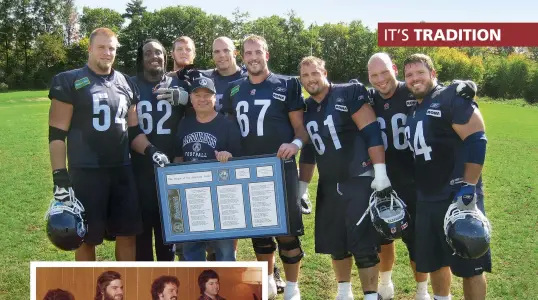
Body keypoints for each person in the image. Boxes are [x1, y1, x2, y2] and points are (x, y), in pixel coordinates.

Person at [47, 27, 169, 261]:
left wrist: (151, 150)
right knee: (84, 237)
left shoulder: (125, 82)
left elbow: (133, 131)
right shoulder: (69, 81)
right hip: (86, 171)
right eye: (102, 47)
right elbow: (56, 135)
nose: (107, 52)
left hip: (122, 171)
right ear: (90, 48)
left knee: (128, 234)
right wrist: (60, 177)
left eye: (111, 48)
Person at [221, 35, 309, 300]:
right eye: (247, 54)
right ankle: (269, 280)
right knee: (259, 233)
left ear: (266, 54)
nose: (253, 58)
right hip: (248, 170)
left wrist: (295, 143)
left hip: (279, 169)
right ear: (242, 57)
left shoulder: (287, 84)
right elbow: (228, 129)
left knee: (286, 233)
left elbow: (301, 129)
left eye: (257, 52)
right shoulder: (234, 89)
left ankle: (293, 288)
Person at [298, 56, 390, 300]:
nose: (310, 80)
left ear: (324, 71)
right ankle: (343, 292)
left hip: (358, 178)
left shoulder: (348, 92)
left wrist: (379, 172)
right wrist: (302, 187)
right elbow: (308, 151)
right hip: (329, 183)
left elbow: (372, 133)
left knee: (364, 244)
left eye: (314, 73)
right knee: (336, 243)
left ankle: (371, 295)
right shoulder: (306, 107)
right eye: (305, 76)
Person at [403, 53, 490, 300]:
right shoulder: (415, 107)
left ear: (433, 74)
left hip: (457, 195)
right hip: (428, 197)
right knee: (437, 262)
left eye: (420, 72)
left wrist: (469, 186)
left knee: (470, 264)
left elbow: (476, 139)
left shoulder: (450, 97)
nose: (414, 78)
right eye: (409, 75)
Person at [367, 52, 430, 300]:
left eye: (385, 72)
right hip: (383, 179)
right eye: (374, 75)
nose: (380, 79)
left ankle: (422, 291)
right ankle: (385, 284)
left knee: (417, 241)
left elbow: (439, 93)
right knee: (384, 236)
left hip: (416, 180)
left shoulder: (413, 91)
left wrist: (457, 89)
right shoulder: (368, 98)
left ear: (394, 69)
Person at [130, 39, 188, 261]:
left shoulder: (179, 85)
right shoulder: (129, 84)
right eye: (148, 53)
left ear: (166, 57)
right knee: (141, 237)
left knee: (168, 238)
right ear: (140, 58)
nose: (154, 57)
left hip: (171, 169)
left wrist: (185, 99)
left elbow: (203, 106)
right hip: (139, 169)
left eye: (158, 53)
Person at [173, 76, 240, 261]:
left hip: (221, 196)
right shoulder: (185, 123)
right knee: (191, 248)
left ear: (214, 99)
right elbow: (179, 157)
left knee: (225, 250)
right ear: (191, 99)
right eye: (197, 95)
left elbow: (240, 161)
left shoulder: (227, 125)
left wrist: (228, 157)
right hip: (191, 196)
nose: (202, 99)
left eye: (207, 95)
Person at [201, 36, 247, 112]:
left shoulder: (249, 78)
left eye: (226, 50)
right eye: (217, 51)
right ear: (213, 55)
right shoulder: (204, 78)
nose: (222, 55)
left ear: (235, 53)